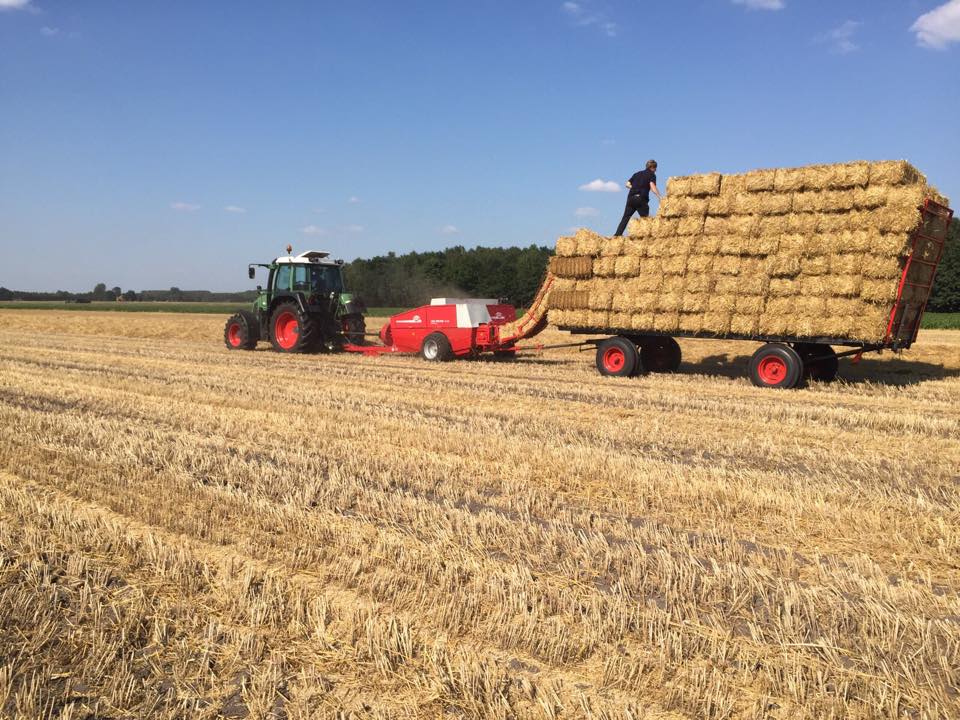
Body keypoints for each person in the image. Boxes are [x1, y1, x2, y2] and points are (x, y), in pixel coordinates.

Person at [614, 159, 663, 236]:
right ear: (652, 167)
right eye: (655, 168)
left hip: (631, 198)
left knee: (625, 217)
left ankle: (617, 236)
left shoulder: (636, 174)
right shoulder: (652, 175)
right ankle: (647, 236)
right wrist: (659, 196)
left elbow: (627, 184)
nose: (656, 170)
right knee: (645, 219)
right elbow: (652, 186)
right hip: (640, 199)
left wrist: (634, 188)